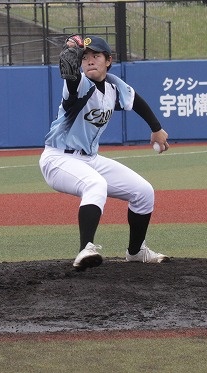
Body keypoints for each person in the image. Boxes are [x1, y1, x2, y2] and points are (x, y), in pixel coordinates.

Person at [39, 34, 170, 270]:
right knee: (95, 184)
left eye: (96, 56)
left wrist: (156, 129)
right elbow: (70, 76)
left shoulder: (113, 86)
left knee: (143, 192)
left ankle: (136, 252)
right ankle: (85, 249)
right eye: (85, 57)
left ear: (108, 60)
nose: (90, 60)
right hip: (58, 159)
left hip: (90, 159)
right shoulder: (79, 85)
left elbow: (136, 101)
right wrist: (70, 53)